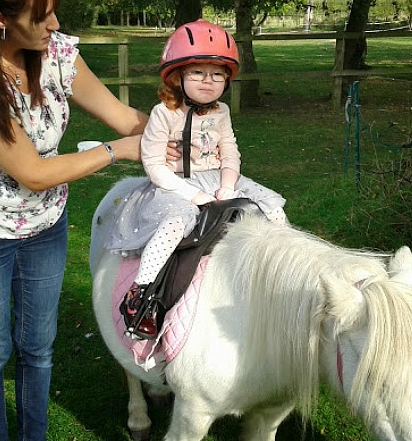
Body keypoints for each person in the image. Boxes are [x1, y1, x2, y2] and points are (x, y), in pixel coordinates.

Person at [0, 0, 177, 439]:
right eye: (41, 17)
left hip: (44, 224)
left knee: (39, 346)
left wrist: (179, 135)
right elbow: (33, 173)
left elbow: (126, 118)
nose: (54, 24)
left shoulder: (58, 53)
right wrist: (118, 150)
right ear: (0, 18)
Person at [105, 19, 288, 340]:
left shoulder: (222, 113)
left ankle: (285, 274)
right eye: (198, 73)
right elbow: (153, 164)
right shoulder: (163, 113)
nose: (209, 81)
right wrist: (190, 195)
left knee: (271, 205)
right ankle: (141, 292)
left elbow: (230, 152)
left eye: (218, 74)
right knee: (178, 222)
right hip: (172, 183)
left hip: (218, 177)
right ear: (177, 76)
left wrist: (228, 184)